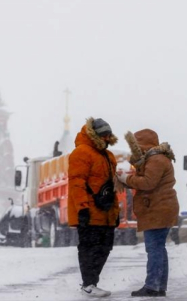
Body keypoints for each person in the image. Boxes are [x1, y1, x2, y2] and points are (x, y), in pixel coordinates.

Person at [117, 129, 179, 298]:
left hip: (158, 209)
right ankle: (159, 286)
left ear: (143, 145)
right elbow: (147, 182)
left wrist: (126, 179)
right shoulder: (154, 158)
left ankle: (152, 285)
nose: (134, 150)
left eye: (135, 146)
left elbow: (148, 183)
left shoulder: (156, 160)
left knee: (154, 248)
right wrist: (129, 180)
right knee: (159, 248)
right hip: (159, 208)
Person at [68, 117, 120, 298]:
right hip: (89, 212)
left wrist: (116, 212)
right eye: (104, 135)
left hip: (106, 213)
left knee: (104, 248)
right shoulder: (81, 153)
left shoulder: (108, 156)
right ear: (95, 135)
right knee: (89, 248)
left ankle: (92, 283)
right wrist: (82, 208)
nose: (107, 138)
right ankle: (88, 284)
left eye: (109, 135)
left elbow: (110, 187)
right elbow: (77, 183)